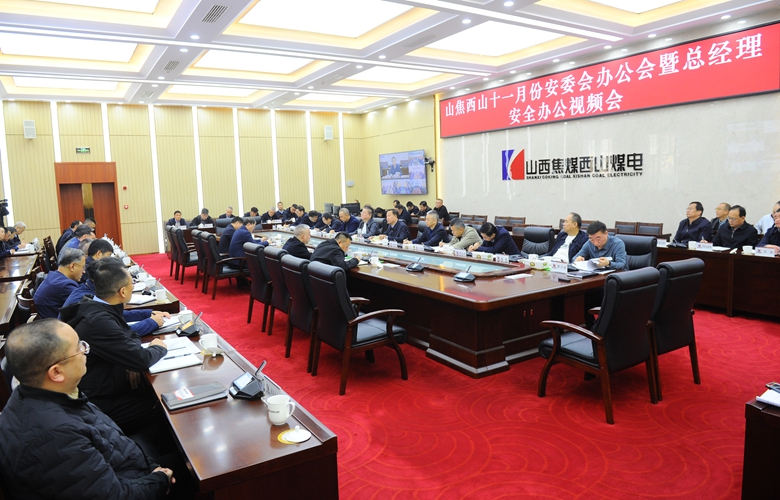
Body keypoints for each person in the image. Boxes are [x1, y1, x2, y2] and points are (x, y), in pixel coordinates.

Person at [0, 320, 174, 499]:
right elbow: (112, 496)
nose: (85, 351)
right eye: (79, 347)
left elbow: (109, 436)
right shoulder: (52, 435)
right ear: (56, 372)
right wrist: (160, 480)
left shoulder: (45, 393)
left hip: (127, 470)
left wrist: (153, 469)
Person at [60, 257, 168, 433]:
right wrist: (159, 347)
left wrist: (128, 358)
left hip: (106, 385)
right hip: (97, 401)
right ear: (123, 291)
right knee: (160, 404)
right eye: (132, 284)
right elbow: (142, 359)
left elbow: (129, 334)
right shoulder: (99, 320)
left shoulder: (97, 305)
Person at [61, 244, 168, 337]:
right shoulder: (85, 301)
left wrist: (147, 314)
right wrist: (151, 323)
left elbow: (115, 316)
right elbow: (118, 335)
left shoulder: (91, 291)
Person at [34, 248, 86, 319]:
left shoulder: (53, 276)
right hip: (53, 324)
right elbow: (85, 307)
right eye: (83, 267)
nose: (84, 271)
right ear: (72, 266)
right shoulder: (65, 285)